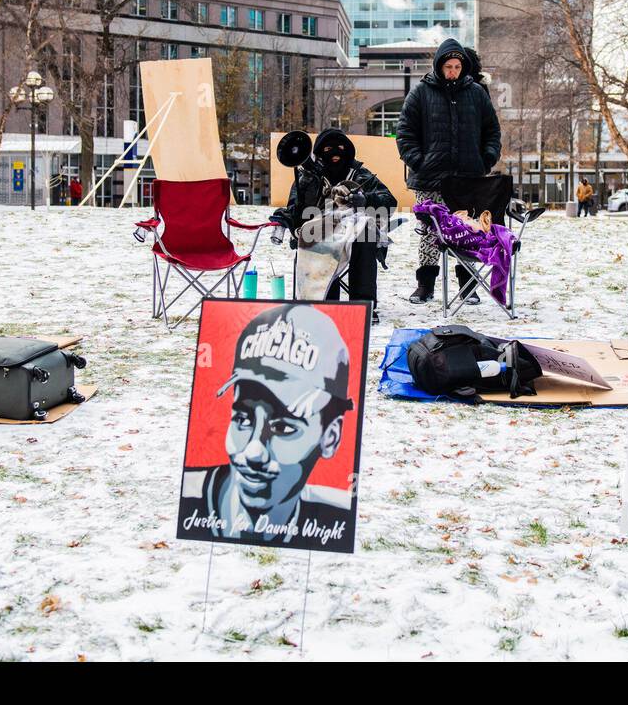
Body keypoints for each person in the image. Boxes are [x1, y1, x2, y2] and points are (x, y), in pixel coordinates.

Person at [178, 305, 355, 551]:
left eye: (283, 427)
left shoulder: (335, 519)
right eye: (243, 419)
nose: (253, 452)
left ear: (330, 437)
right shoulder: (190, 498)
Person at [396, 37, 502, 304]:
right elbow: (405, 133)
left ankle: (467, 287)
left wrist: (485, 159)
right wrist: (419, 161)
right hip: (430, 180)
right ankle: (425, 286)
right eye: (449, 67)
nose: (453, 71)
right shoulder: (420, 92)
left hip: (468, 179)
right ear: (439, 66)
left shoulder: (476, 93)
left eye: (457, 66)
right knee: (430, 234)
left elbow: (492, 131)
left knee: (466, 232)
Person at [270, 128, 396, 322]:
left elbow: (389, 201)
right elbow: (294, 210)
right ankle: (325, 303)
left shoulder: (361, 175)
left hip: (355, 236)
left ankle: (363, 304)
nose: (335, 153)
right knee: (320, 238)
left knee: (365, 234)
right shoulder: (307, 177)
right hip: (319, 235)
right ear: (319, 152)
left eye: (340, 148)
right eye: (328, 148)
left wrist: (366, 200)